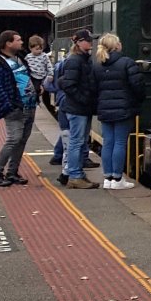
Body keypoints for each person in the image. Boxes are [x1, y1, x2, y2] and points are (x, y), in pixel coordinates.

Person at [91, 33, 144, 190]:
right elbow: (138, 86)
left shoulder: (97, 65)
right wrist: (137, 100)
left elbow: (93, 89)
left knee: (108, 142)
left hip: (104, 109)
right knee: (120, 142)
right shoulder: (127, 62)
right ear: (116, 46)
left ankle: (108, 178)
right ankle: (118, 178)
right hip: (124, 109)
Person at [0, 30, 40, 186]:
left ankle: (12, 172)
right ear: (8, 43)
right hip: (15, 108)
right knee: (13, 139)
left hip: (29, 105)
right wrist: (8, 106)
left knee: (22, 140)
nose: (22, 42)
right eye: (18, 40)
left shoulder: (20, 58)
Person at [59, 29, 100, 190]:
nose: (91, 43)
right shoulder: (75, 61)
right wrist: (84, 100)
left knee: (80, 141)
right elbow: (69, 85)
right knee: (76, 142)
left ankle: (78, 174)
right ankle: (75, 176)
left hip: (82, 108)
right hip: (78, 109)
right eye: (88, 40)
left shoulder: (82, 59)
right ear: (79, 42)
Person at [25, 35, 57, 118]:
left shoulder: (44, 56)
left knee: (46, 92)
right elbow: (25, 66)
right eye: (37, 49)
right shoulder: (28, 57)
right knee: (34, 89)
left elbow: (49, 65)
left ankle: (50, 107)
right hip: (33, 76)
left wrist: (51, 74)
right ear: (30, 48)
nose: (39, 51)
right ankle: (36, 101)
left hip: (43, 76)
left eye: (40, 49)